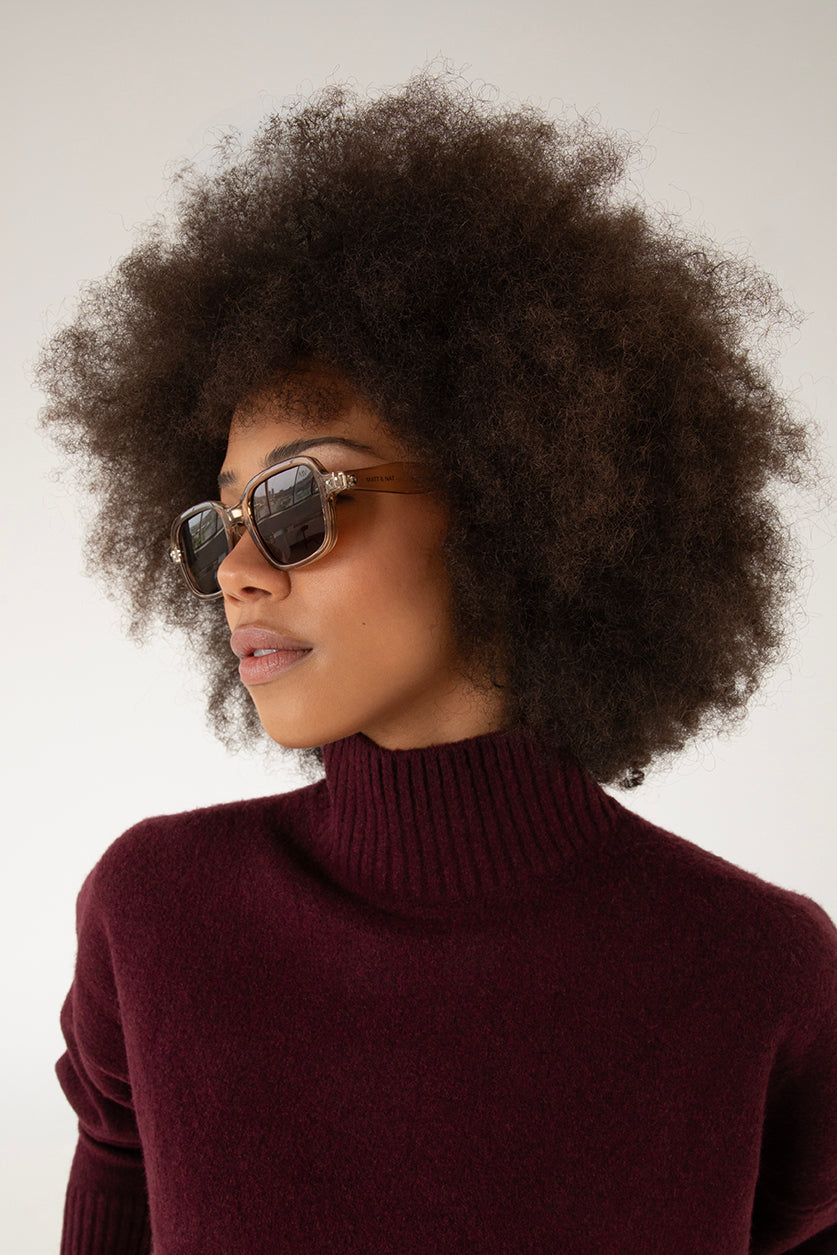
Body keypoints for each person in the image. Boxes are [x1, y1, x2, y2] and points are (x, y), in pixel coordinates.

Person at [39, 69, 837, 1254]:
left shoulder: (758, 973)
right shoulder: (156, 917)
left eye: (297, 501)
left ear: (517, 494)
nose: (236, 570)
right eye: (215, 523)